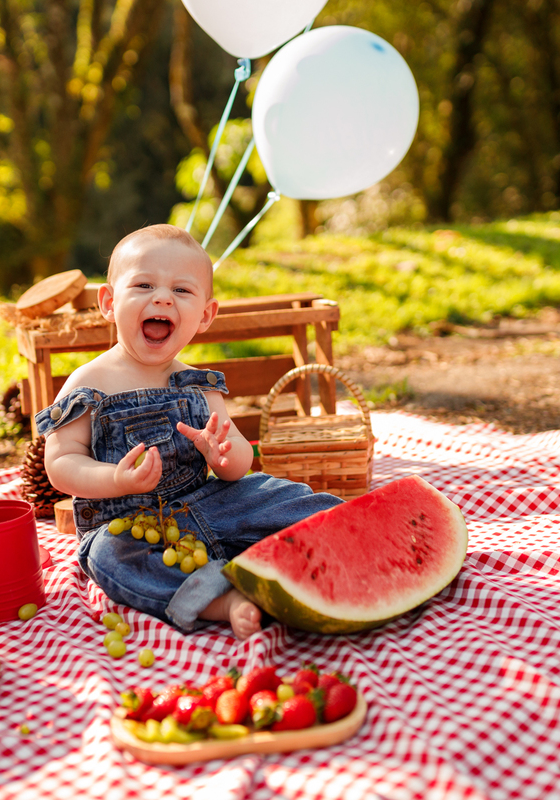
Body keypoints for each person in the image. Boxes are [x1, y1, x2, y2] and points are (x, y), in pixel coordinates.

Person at [36, 224, 342, 639]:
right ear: (109, 302)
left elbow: (237, 463)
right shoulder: (88, 384)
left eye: (182, 291)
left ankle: (349, 538)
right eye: (144, 284)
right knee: (109, 559)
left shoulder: (198, 384)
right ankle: (219, 599)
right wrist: (114, 479)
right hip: (126, 525)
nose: (162, 297)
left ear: (205, 315)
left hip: (208, 506)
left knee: (277, 495)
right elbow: (61, 463)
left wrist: (224, 455)